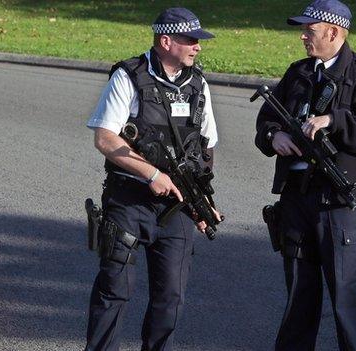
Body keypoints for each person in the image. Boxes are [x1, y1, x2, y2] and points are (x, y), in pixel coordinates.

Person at [254, 0, 356, 350]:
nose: (303, 36)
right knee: (299, 296)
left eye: (309, 30)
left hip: (338, 204)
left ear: (333, 32)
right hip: (297, 198)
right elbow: (268, 119)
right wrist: (275, 135)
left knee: (346, 299)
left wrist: (334, 120)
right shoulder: (298, 72)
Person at [85, 7, 220, 351]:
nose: (198, 47)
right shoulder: (128, 76)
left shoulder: (198, 84)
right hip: (128, 202)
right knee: (114, 291)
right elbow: (105, 138)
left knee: (170, 299)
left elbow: (206, 149)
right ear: (166, 41)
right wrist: (152, 174)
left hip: (176, 208)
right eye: (191, 40)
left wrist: (203, 204)